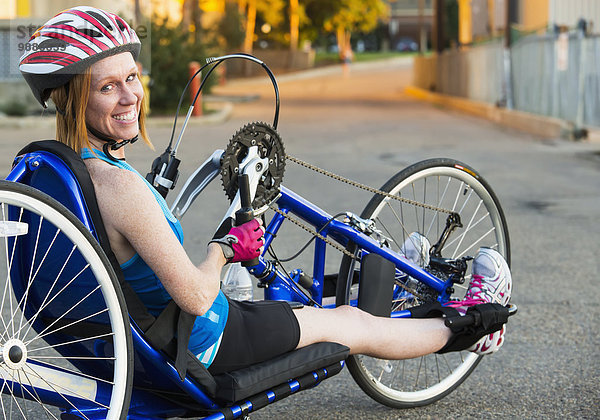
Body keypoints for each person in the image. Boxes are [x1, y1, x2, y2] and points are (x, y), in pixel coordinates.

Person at [18, 6, 512, 376]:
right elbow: (193, 295)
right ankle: (473, 326)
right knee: (348, 322)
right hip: (203, 339)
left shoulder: (61, 172)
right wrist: (224, 247)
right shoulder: (118, 188)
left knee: (286, 301)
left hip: (147, 339)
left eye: (131, 78)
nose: (130, 97)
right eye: (108, 88)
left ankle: (403, 281)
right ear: (72, 99)